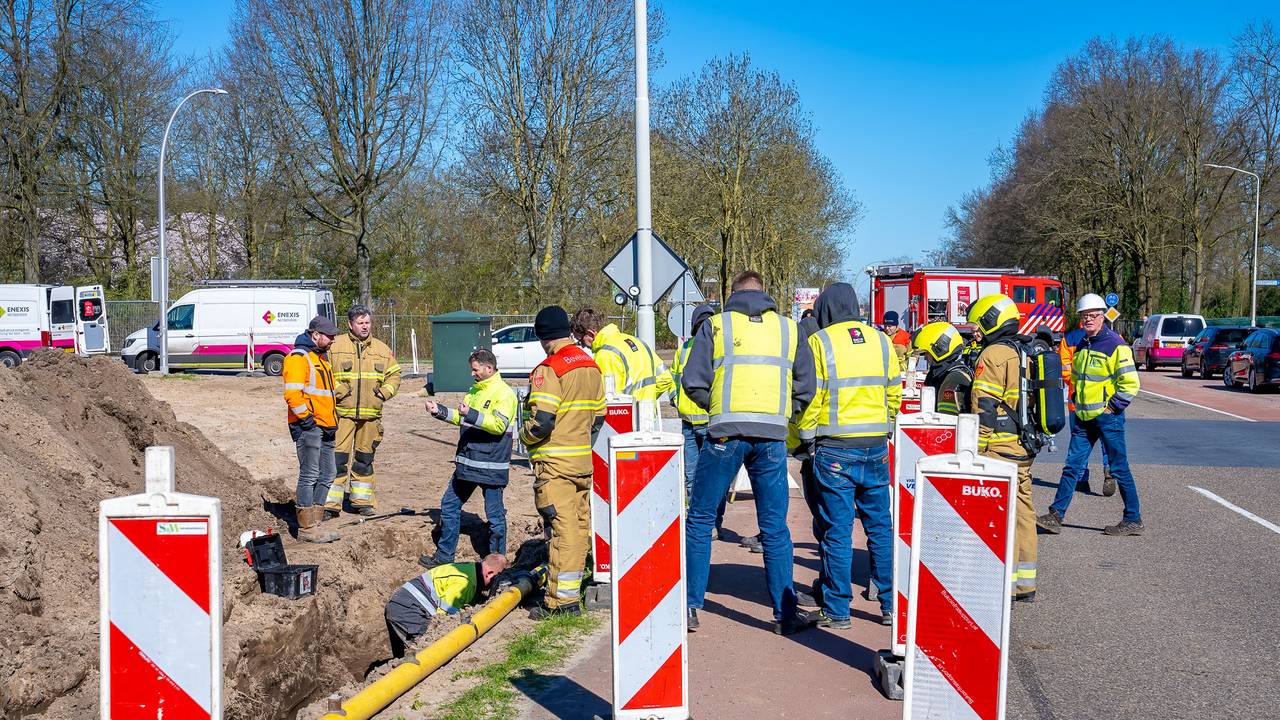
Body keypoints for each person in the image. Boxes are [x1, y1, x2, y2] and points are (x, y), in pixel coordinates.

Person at [681, 270, 817, 636]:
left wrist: (717, 410)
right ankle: (784, 614)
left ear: (733, 293)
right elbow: (807, 385)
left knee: (700, 519)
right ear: (764, 293)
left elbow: (692, 381)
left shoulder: (717, 326)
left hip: (725, 435)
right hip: (771, 438)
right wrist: (784, 413)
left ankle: (690, 607)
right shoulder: (789, 329)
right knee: (774, 527)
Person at [796, 283, 901, 628]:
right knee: (880, 527)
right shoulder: (882, 341)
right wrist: (885, 425)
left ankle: (838, 610)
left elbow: (811, 398)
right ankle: (889, 606)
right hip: (875, 447)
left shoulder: (820, 342)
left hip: (835, 449)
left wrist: (807, 440)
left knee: (837, 531)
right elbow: (894, 392)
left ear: (825, 310)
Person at [520, 306, 605, 618]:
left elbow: (542, 421)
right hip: (582, 463)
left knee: (562, 532)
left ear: (543, 337)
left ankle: (560, 603)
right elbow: (599, 417)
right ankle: (569, 594)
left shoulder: (549, 369)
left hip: (555, 466)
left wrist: (524, 437)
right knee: (579, 530)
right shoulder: (591, 366)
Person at [1038, 294, 1143, 536]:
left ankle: (1133, 519)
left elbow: (1131, 383)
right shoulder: (1083, 344)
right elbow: (1077, 377)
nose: (1088, 319)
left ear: (1102, 316)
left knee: (1118, 468)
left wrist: (1112, 407)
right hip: (1084, 419)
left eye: (1093, 315)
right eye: (1085, 316)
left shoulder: (1116, 345)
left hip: (1108, 419)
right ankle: (1055, 516)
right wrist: (1076, 398)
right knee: (1072, 467)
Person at [966, 294, 1038, 602]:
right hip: (1023, 446)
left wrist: (974, 449)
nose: (976, 332)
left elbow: (984, 406)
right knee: (1023, 513)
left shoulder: (993, 353)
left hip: (997, 448)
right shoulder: (1025, 350)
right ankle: (1025, 584)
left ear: (991, 321)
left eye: (978, 325)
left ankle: (1002, 584)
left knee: (996, 517)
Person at [421, 349, 518, 568]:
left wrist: (471, 414)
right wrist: (439, 411)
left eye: (475, 370)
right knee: (449, 506)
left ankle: (497, 563)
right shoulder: (475, 390)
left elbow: (498, 425)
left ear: (489, 368)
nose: (472, 374)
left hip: (491, 466)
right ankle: (444, 557)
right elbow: (462, 418)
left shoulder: (504, 394)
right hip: (467, 464)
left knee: (494, 515)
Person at [326, 304, 402, 518]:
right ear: (350, 324)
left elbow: (395, 375)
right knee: (336, 460)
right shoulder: (335, 346)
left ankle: (361, 502)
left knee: (364, 460)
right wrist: (339, 391)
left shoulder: (382, 349)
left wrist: (383, 394)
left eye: (367, 322)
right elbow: (324, 373)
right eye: (360, 323)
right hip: (342, 414)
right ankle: (330, 505)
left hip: (370, 417)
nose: (365, 326)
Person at [669, 304, 728, 536]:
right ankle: (702, 523)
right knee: (699, 477)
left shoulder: (714, 347)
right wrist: (675, 399)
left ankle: (710, 522)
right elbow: (674, 378)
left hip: (708, 421)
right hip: (692, 422)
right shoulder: (685, 349)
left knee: (707, 477)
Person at [284, 315, 342, 543]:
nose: (333, 340)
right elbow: (292, 394)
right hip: (309, 426)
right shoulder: (298, 358)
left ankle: (315, 521)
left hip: (326, 425)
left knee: (328, 473)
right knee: (309, 474)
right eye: (329, 336)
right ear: (315, 335)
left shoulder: (320, 358)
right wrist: (307, 420)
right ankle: (307, 528)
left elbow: (326, 392)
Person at [384, 554, 509, 657]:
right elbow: (443, 619)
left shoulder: (469, 569)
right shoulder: (464, 583)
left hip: (404, 603)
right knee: (427, 648)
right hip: (409, 609)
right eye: (495, 579)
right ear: (489, 573)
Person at [570, 308, 674, 401]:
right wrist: (646, 400)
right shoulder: (637, 342)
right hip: (648, 413)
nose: (582, 345)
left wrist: (633, 404)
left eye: (581, 340)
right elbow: (666, 378)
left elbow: (607, 399)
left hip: (626, 415)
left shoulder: (605, 354)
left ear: (590, 333)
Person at [1060, 324, 1114, 495]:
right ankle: (1109, 471)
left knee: (1079, 442)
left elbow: (1065, 370)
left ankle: (1081, 478)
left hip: (1078, 402)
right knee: (1107, 440)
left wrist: (1078, 385)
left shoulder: (1070, 339)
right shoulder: (1113, 337)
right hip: (1105, 402)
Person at [912, 321, 972, 415]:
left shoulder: (953, 379)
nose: (926, 358)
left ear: (939, 349)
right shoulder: (943, 375)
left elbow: (947, 419)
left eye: (927, 353)